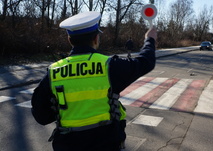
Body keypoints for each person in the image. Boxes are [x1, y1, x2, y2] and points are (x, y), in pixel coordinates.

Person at [31, 11, 157, 151]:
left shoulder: (54, 71)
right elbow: (145, 62)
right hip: (106, 144)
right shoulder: (109, 66)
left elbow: (41, 116)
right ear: (96, 38)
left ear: (69, 39)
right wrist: (149, 39)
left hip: (67, 145)